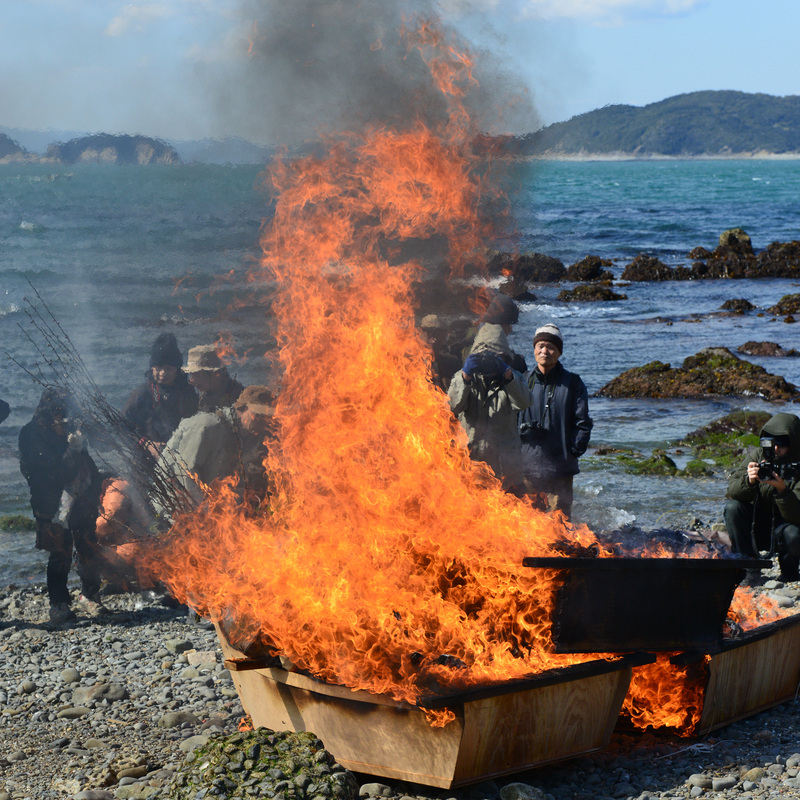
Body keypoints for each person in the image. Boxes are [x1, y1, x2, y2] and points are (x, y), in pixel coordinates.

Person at [18, 387, 106, 624]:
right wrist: (72, 449)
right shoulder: (31, 435)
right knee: (59, 550)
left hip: (80, 497)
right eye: (59, 414)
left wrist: (96, 487)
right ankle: (59, 604)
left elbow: (87, 464)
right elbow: (53, 473)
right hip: (49, 501)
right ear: (48, 414)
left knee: (88, 544)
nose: (63, 419)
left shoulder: (68, 429)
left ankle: (90, 593)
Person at [153, 384, 275, 519]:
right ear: (241, 409)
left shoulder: (242, 435)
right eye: (257, 415)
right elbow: (186, 473)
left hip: (205, 509)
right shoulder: (207, 425)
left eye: (267, 417)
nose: (263, 422)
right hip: (172, 507)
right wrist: (205, 514)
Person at [519, 323, 593, 518]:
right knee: (528, 523)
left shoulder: (573, 383)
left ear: (559, 352)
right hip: (527, 466)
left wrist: (572, 451)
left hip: (560, 469)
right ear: (534, 349)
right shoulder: (523, 381)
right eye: (540, 346)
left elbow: (583, 422)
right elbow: (510, 419)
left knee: (559, 525)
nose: (545, 351)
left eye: (551, 347)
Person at [724, 412, 800, 582]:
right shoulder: (758, 456)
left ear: (793, 443)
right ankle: (748, 568)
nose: (774, 449)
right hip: (757, 526)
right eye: (770, 443)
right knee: (733, 508)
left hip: (786, 528)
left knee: (794, 534)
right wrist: (749, 481)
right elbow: (733, 491)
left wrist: (782, 490)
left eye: (781, 444)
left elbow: (797, 515)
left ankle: (789, 572)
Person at [448, 345, 533, 495]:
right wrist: (465, 378)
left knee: (510, 512)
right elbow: (452, 407)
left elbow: (524, 402)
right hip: (471, 465)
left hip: (506, 468)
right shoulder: (463, 377)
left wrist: (507, 374)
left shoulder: (513, 378)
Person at [123, 332, 198, 463]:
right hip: (147, 458)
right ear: (152, 368)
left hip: (181, 456)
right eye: (158, 368)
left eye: (168, 368)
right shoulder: (142, 393)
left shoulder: (188, 393)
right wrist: (147, 444)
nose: (163, 373)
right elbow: (121, 426)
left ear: (177, 369)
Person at [183, 344, 244, 412]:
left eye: (197, 374)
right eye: (191, 374)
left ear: (215, 374)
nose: (192, 380)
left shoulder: (240, 398)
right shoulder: (204, 397)